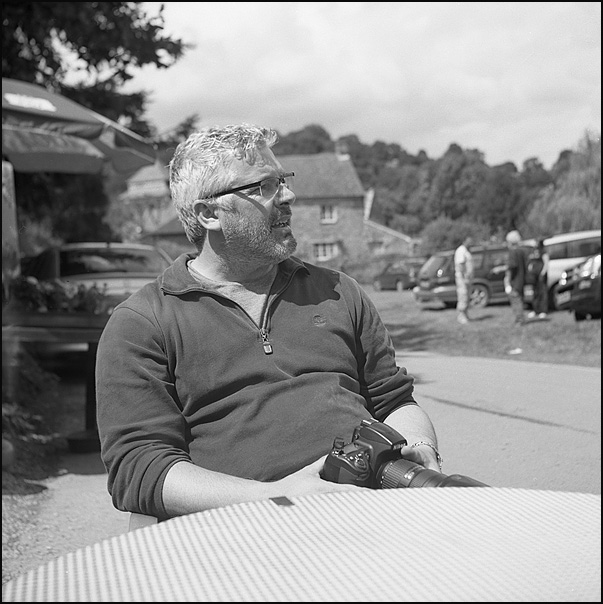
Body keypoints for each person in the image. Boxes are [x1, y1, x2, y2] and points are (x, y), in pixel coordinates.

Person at [95, 123, 441, 521]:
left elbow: (394, 401)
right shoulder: (142, 323)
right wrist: (276, 497)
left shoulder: (338, 290)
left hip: (373, 513)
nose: (288, 196)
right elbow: (138, 469)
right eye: (263, 187)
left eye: (282, 181)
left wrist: (420, 447)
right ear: (209, 214)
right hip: (244, 533)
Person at [504, 229, 527, 326]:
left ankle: (519, 320)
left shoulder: (512, 252)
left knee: (516, 301)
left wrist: (507, 281)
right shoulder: (522, 251)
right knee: (520, 300)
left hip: (515, 281)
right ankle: (520, 319)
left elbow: (511, 267)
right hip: (521, 280)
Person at [526, 238, 549, 319]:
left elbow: (546, 264)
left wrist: (542, 273)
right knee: (535, 293)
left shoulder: (543, 252)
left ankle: (543, 310)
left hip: (541, 275)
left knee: (542, 293)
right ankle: (536, 310)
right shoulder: (534, 252)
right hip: (534, 276)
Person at [454, 235, 474, 324]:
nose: (471, 243)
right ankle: (461, 316)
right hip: (462, 278)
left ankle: (465, 314)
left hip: (468, 278)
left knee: (467, 296)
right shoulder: (461, 250)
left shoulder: (467, 251)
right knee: (463, 296)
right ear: (464, 241)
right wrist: (465, 277)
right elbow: (461, 265)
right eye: (469, 241)